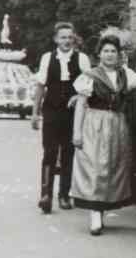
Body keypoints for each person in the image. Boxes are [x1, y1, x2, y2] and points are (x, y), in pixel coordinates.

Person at [70, 33, 136, 235]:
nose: (109, 55)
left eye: (113, 51)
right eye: (106, 51)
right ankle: (95, 215)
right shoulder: (90, 76)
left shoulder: (125, 74)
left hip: (117, 124)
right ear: (99, 54)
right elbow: (81, 105)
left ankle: (102, 210)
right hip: (94, 124)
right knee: (95, 167)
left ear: (119, 55)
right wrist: (77, 133)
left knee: (112, 168)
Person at [32, 22, 92, 214]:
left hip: (72, 113)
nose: (66, 41)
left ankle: (64, 194)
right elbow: (41, 86)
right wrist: (35, 113)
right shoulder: (47, 58)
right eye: (62, 37)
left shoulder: (81, 59)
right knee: (49, 152)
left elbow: (89, 84)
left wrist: (78, 95)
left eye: (69, 37)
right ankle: (45, 194)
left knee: (68, 153)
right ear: (56, 39)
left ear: (74, 39)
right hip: (51, 110)